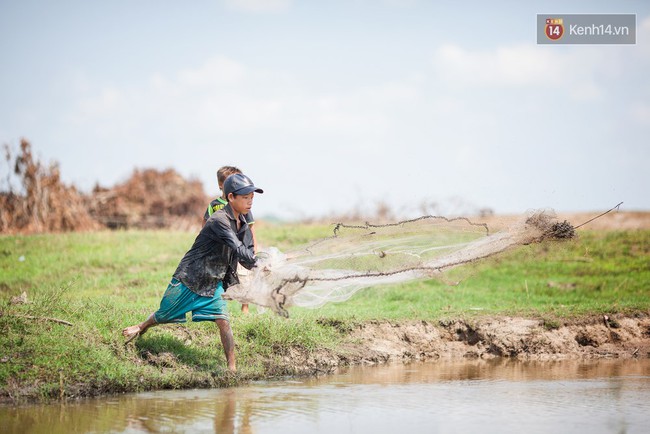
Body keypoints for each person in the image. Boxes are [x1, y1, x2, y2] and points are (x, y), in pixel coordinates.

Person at [122, 173, 264, 372]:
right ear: (231, 197)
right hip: (191, 275)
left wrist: (261, 267)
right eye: (245, 197)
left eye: (252, 198)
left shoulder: (243, 226)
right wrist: (257, 264)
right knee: (165, 313)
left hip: (214, 279)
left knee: (223, 320)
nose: (250, 202)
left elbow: (246, 256)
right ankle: (141, 326)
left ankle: (232, 369)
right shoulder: (219, 220)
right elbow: (237, 247)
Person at [204, 166, 258, 314]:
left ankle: (245, 308)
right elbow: (206, 226)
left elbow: (250, 229)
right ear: (223, 185)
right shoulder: (215, 207)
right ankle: (218, 308)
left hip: (240, 248)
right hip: (222, 249)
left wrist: (253, 251)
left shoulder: (244, 206)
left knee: (246, 277)